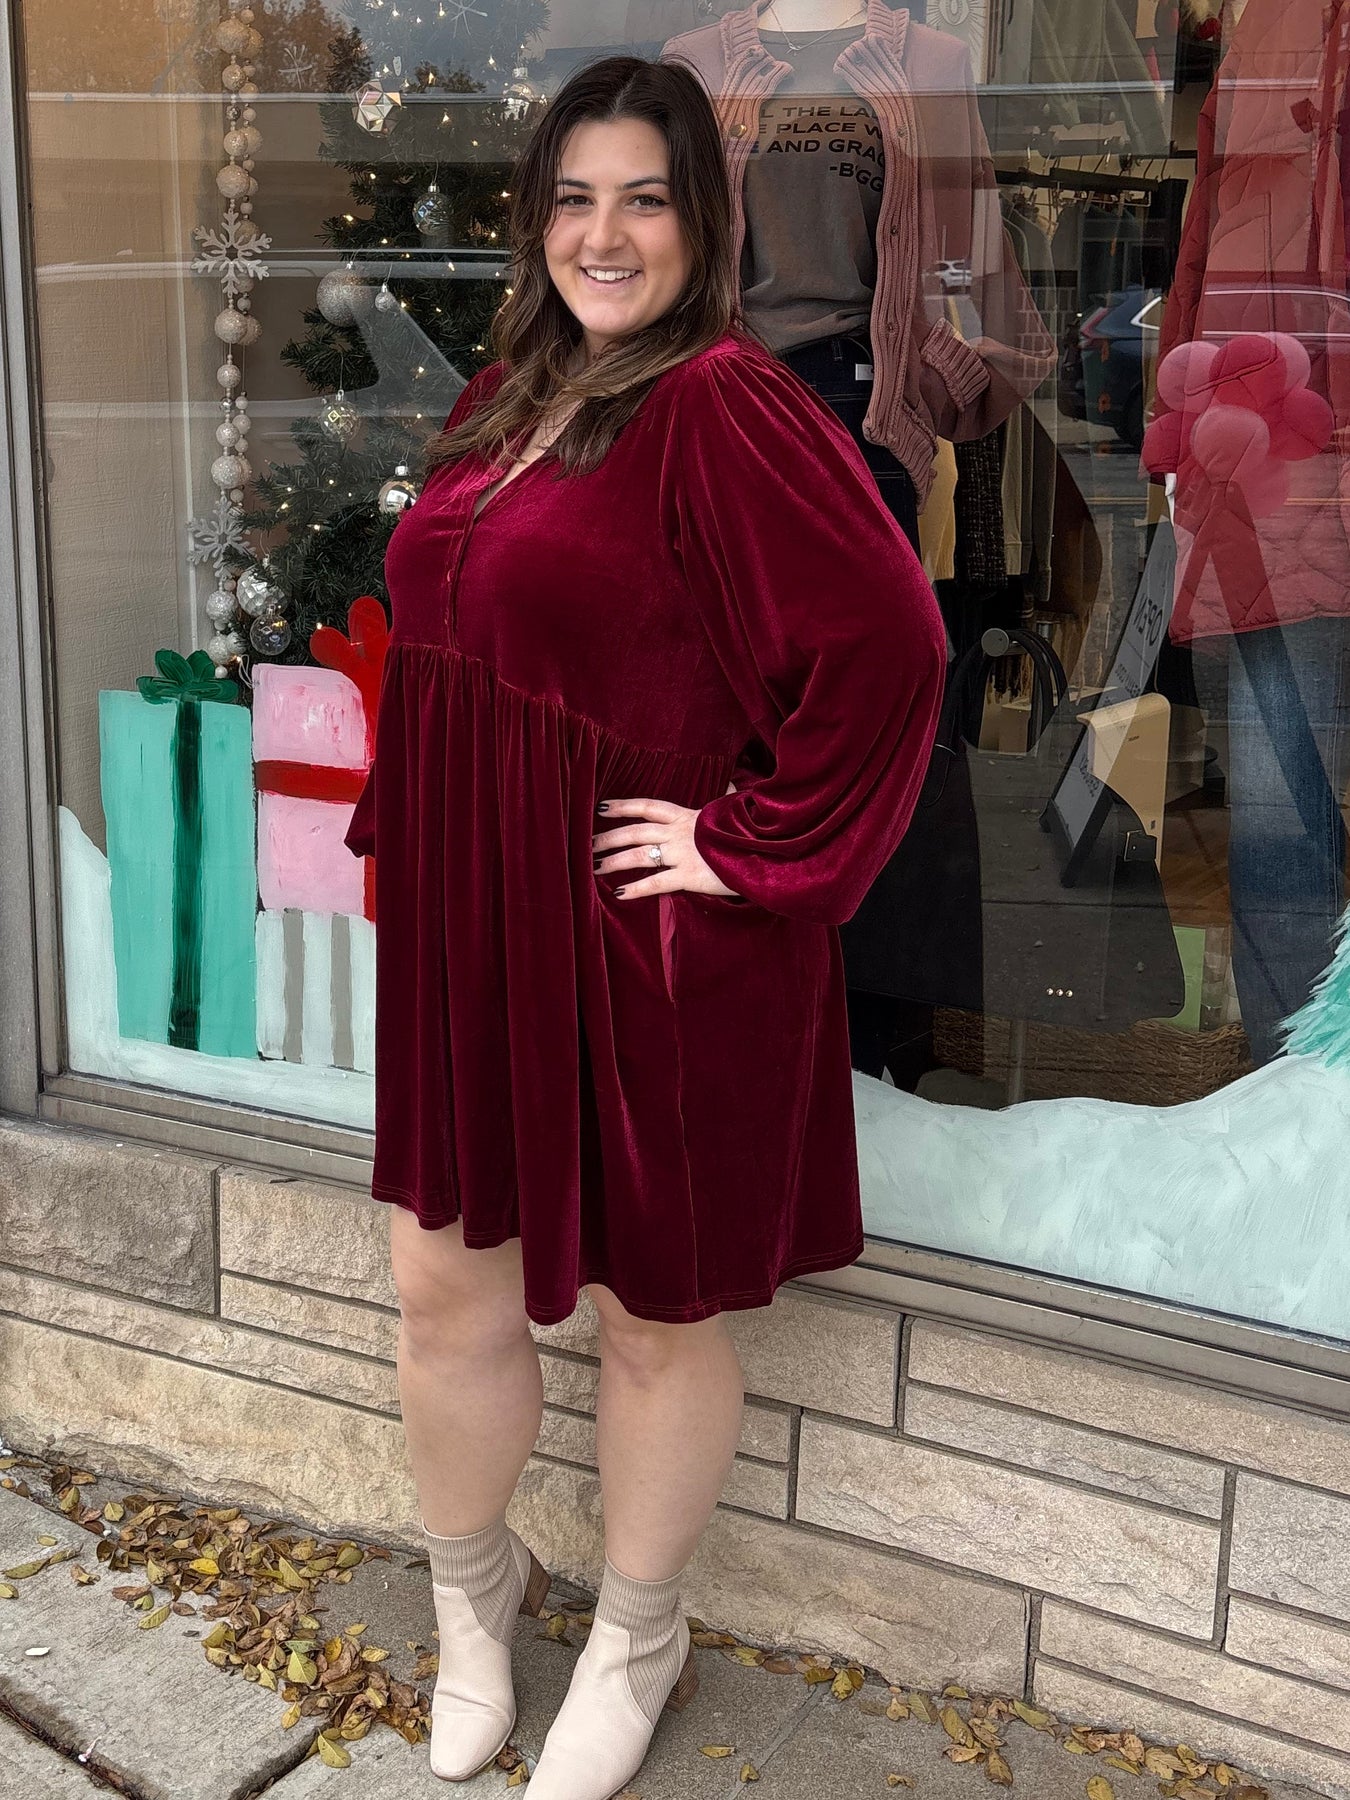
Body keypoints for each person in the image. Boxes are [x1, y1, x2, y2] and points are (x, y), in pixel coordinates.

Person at [341, 51, 946, 1800]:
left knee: (654, 1313)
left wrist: (751, 845)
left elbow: (892, 648)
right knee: (439, 1284)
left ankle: (637, 1635)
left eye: (645, 200)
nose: (603, 236)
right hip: (478, 921)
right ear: (537, 220)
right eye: (573, 199)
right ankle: (473, 1602)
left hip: (641, 935)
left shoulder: (726, 405)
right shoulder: (512, 392)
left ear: (703, 223)